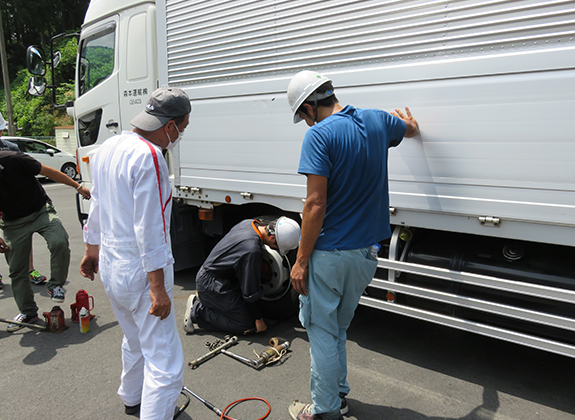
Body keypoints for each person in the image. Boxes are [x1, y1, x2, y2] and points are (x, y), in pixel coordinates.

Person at [285, 70, 419, 420]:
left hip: (330, 254)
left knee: (321, 332)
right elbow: (410, 129)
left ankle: (325, 410)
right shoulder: (378, 121)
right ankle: (338, 395)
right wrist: (410, 124)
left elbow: (315, 205)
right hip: (366, 254)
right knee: (338, 329)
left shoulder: (319, 136)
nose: (303, 122)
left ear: (311, 107)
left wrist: (300, 261)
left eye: (301, 115)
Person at [80, 87, 191, 420]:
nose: (181, 134)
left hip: (113, 263)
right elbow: (150, 227)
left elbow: (96, 205)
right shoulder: (150, 156)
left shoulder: (108, 147)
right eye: (182, 128)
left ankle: (132, 397)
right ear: (169, 125)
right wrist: (158, 289)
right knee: (165, 363)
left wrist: (90, 250)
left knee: (134, 339)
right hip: (141, 268)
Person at [0, 150, 90, 331]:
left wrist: (77, 186)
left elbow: (48, 172)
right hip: (12, 222)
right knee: (17, 270)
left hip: (40, 211)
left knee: (59, 241)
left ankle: (55, 285)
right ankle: (28, 312)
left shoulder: (14, 158)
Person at [183, 216, 301, 335]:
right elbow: (250, 292)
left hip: (221, 277)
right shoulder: (251, 250)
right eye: (277, 247)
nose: (274, 249)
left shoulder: (250, 224)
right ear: (272, 237)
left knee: (247, 312)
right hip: (211, 283)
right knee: (246, 324)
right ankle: (197, 312)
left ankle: (213, 304)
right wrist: (259, 319)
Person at [0, 112, 48, 288]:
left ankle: (30, 271)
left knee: (23, 237)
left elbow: (25, 173)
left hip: (11, 202)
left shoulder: (10, 147)